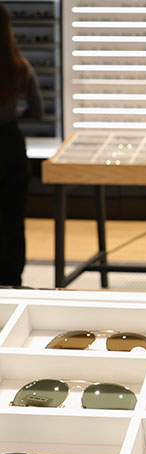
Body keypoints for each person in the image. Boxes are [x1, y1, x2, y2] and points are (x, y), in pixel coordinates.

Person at [0, 2, 43, 286]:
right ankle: (13, 278)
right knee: (13, 218)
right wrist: (15, 112)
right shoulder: (20, 67)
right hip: (10, 144)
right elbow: (37, 111)